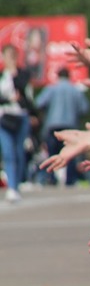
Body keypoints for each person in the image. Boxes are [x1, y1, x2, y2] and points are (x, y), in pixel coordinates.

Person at [36, 68, 90, 186]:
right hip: (70, 125)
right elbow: (85, 108)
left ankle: (51, 178)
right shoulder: (75, 90)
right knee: (70, 153)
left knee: (52, 153)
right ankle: (69, 179)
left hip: (53, 125)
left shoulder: (52, 88)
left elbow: (39, 103)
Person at [0, 44, 34, 203]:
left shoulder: (23, 74)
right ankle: (12, 187)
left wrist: (14, 73)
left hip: (20, 116)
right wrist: (7, 99)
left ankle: (18, 184)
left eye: (12, 56)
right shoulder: (1, 76)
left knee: (20, 152)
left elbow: (24, 94)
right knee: (8, 153)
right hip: (4, 117)